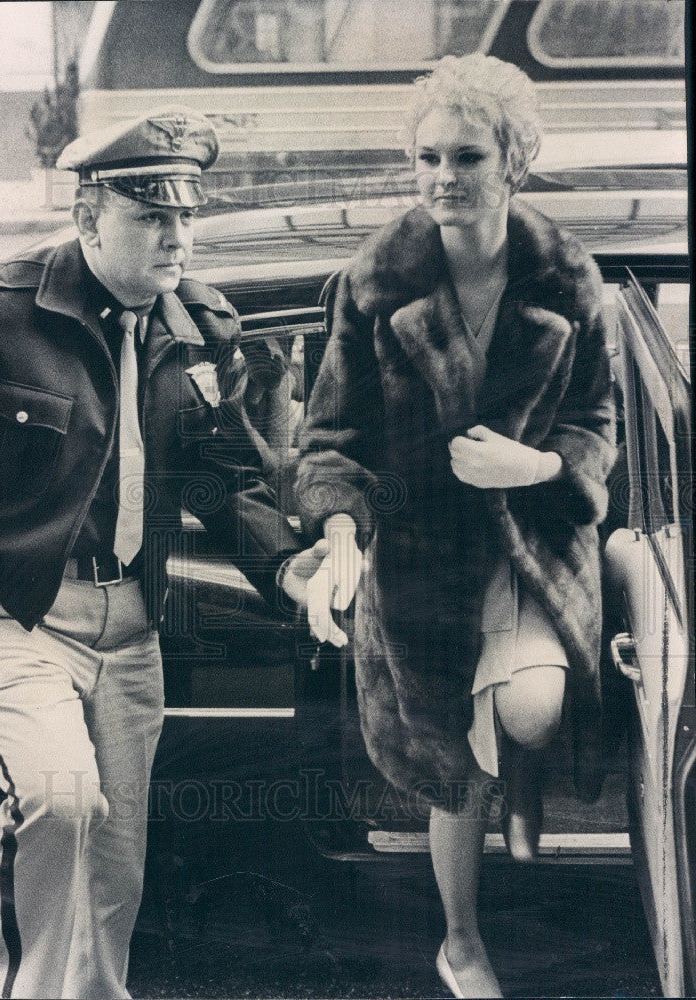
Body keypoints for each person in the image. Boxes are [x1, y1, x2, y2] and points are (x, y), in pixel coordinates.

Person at [0, 106, 324, 1000]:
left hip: (131, 632)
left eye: (185, 216)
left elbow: (226, 484)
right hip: (11, 612)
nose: (176, 238)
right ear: (90, 219)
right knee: (60, 801)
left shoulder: (200, 326)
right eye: (151, 218)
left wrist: (289, 566)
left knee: (114, 859)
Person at [296, 56, 616, 998]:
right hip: (421, 556)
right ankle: (461, 941)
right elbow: (329, 437)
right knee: (447, 767)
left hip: (532, 546)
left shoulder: (569, 276)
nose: (444, 176)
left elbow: (596, 424)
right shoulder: (373, 281)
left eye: (467, 155)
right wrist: (345, 530)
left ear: (513, 161)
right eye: (428, 155)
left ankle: (514, 777)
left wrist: (540, 467)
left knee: (527, 709)